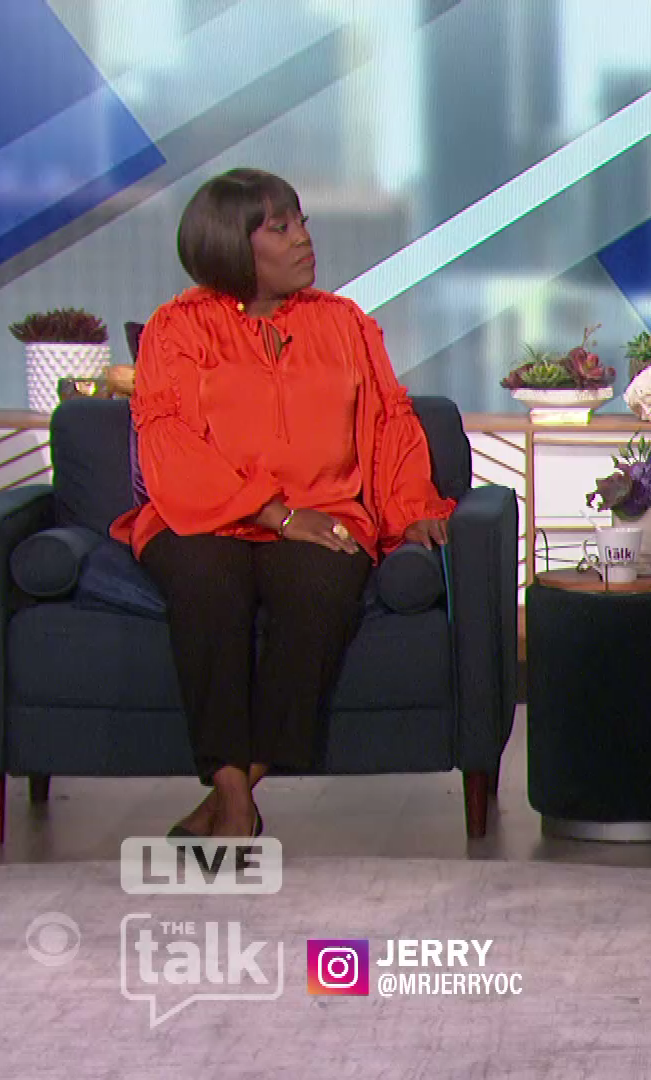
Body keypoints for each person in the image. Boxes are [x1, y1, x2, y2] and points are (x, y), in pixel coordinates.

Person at [110, 168, 455, 839]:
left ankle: (234, 795)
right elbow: (172, 444)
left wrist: (412, 506)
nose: (303, 238)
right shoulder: (176, 328)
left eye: (301, 222)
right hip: (202, 514)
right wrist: (277, 515)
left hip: (325, 510)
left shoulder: (344, 323)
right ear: (231, 244)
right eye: (281, 227)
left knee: (321, 590)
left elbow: (388, 423)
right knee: (207, 586)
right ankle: (233, 795)